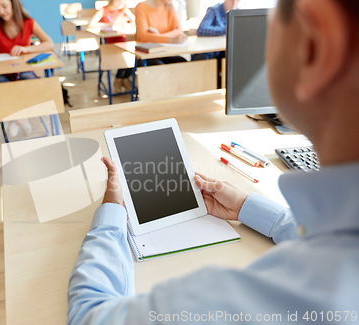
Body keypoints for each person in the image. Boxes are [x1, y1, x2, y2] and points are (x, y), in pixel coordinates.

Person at [67, 0, 359, 323]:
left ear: (317, 43)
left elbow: (88, 316)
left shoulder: (239, 300)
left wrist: (111, 217)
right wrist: (247, 207)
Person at [0, 0, 54, 137]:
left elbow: (49, 44)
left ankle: (16, 118)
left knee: (30, 85)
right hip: (3, 72)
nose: (1, 11)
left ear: (13, 4)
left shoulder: (28, 22)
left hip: (24, 70)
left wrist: (26, 49)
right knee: (0, 89)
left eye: (4, 6)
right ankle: (20, 119)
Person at [88, 0, 135, 93]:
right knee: (119, 60)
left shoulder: (123, 9)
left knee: (132, 58)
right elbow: (91, 25)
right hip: (110, 44)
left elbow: (135, 19)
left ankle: (123, 79)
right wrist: (107, 25)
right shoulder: (103, 10)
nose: (119, 3)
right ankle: (118, 80)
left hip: (122, 42)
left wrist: (126, 24)